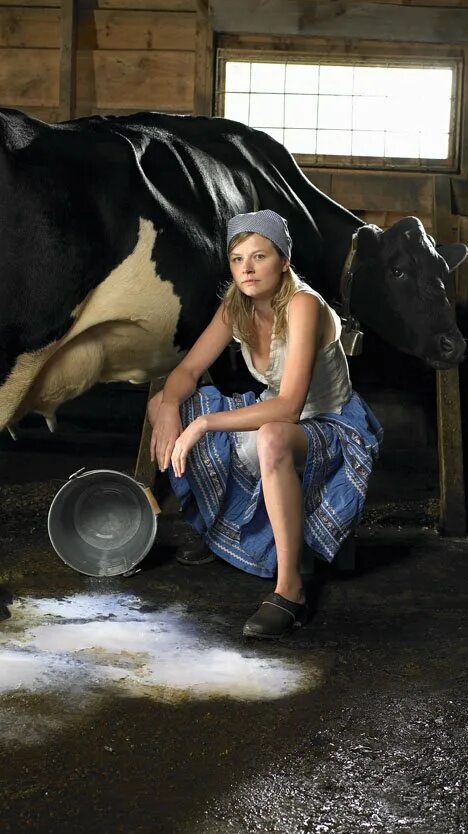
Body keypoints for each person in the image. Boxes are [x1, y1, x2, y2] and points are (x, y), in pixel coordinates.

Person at [147, 210, 383, 640]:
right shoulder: (235, 305)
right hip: (275, 414)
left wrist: (202, 424)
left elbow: (290, 407)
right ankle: (219, 531)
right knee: (165, 406)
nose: (247, 269)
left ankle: (290, 590)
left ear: (284, 261)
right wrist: (166, 409)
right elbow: (186, 371)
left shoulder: (303, 304)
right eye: (237, 259)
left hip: (330, 427)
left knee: (269, 436)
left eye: (260, 257)